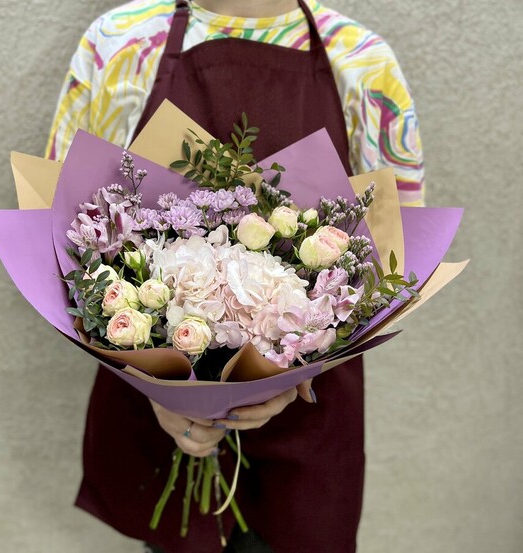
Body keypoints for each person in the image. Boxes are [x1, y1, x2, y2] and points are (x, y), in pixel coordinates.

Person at [46, 1, 424, 551]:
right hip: (159, 408)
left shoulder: (363, 62)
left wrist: (293, 376)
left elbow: (394, 250)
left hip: (309, 410)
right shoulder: (121, 42)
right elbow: (67, 229)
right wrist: (159, 387)